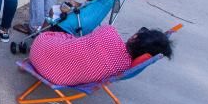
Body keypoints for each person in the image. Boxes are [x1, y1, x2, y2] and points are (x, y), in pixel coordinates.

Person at [30, 26, 173, 87]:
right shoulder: (122, 69)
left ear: (135, 37)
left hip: (39, 49)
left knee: (71, 38)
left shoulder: (108, 31)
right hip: (59, 78)